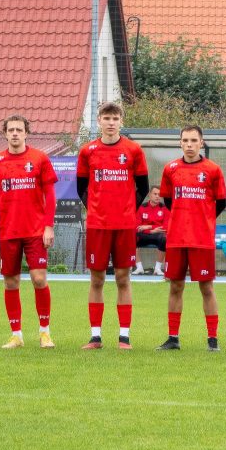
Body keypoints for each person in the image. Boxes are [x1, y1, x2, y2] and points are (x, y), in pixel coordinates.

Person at [0, 114, 58, 349]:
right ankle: (16, 335)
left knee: (39, 279)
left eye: (19, 129)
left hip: (35, 232)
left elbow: (50, 196)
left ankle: (45, 332)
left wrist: (49, 226)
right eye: (10, 130)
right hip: (8, 232)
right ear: (5, 133)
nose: (14, 133)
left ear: (26, 133)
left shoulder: (40, 158)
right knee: (11, 283)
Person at [76, 101, 150, 350]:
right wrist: (96, 208)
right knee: (96, 279)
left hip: (124, 225)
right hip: (98, 224)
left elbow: (142, 187)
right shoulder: (88, 151)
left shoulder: (133, 150)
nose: (110, 122)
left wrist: (127, 209)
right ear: (99, 121)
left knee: (122, 277)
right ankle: (95, 337)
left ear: (121, 121)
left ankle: (124, 337)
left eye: (115, 118)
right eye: (106, 118)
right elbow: (81, 188)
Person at [154, 125, 226, 352]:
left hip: (201, 239)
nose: (189, 145)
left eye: (193, 140)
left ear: (201, 142)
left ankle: (212, 339)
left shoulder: (213, 170)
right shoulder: (171, 169)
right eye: (185, 140)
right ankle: (173, 338)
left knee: (207, 287)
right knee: (175, 286)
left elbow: (221, 202)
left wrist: (203, 218)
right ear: (180, 143)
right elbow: (168, 201)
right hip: (176, 238)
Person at [133, 185, 167, 276]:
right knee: (131, 236)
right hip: (144, 235)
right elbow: (137, 226)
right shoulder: (141, 207)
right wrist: (151, 230)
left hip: (158, 235)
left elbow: (166, 226)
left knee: (164, 238)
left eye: (159, 194)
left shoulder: (165, 208)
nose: (157, 196)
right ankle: (139, 267)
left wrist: (148, 227)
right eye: (155, 194)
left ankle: (157, 268)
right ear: (150, 195)